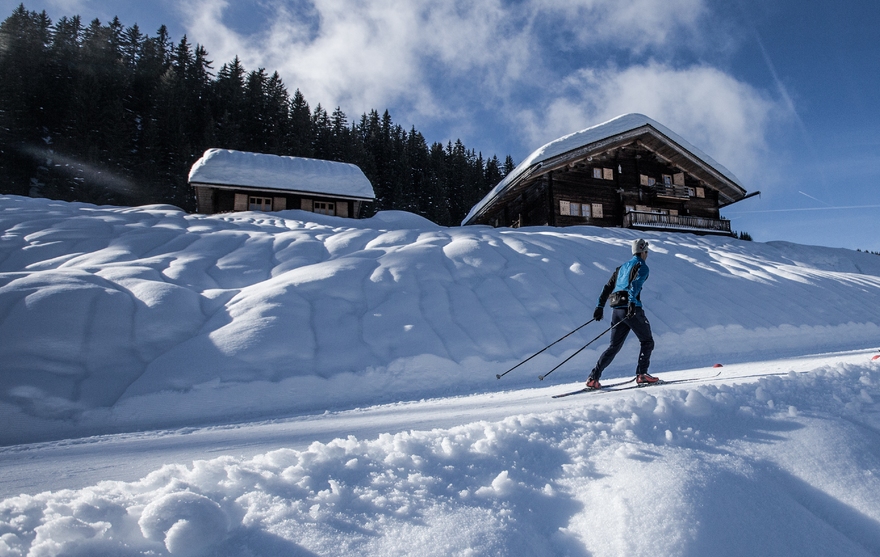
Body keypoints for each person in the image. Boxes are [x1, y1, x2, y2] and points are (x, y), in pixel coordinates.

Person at [586, 238, 658, 389]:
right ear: (644, 251)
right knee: (647, 341)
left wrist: (599, 306)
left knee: (614, 346)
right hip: (632, 310)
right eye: (647, 251)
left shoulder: (621, 267)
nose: (647, 254)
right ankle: (642, 374)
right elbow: (635, 285)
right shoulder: (642, 266)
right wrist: (632, 303)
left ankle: (593, 377)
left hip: (616, 310)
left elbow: (607, 287)